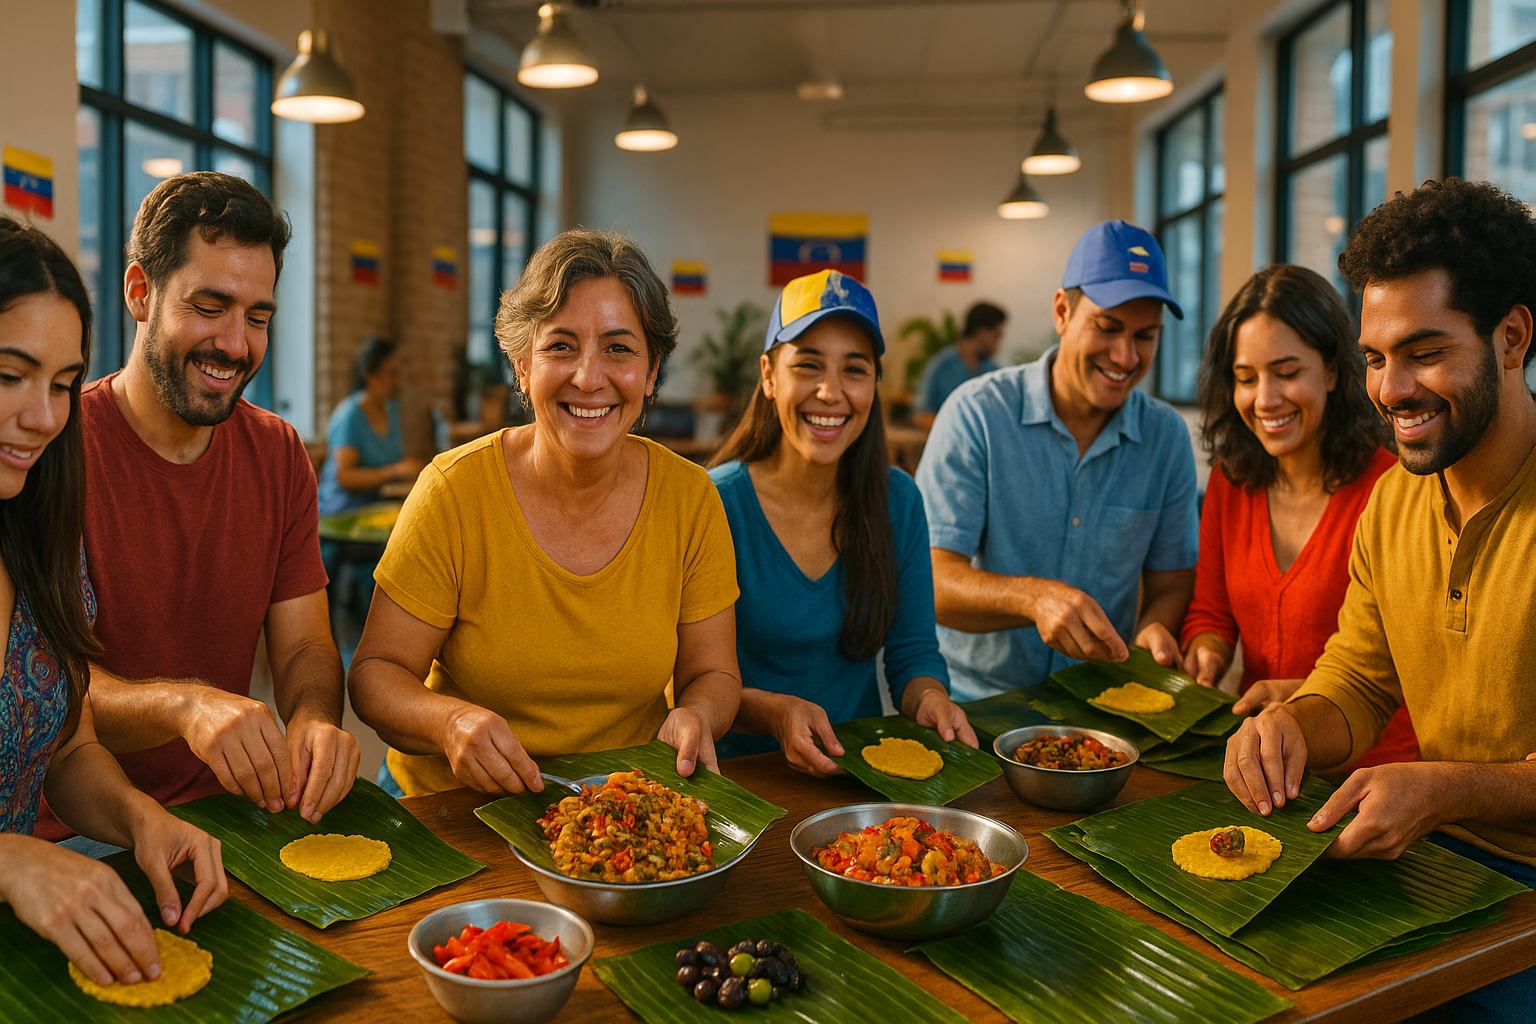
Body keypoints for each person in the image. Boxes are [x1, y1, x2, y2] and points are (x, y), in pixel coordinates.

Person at [1224, 179, 1536, 1023]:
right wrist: (1293, 726)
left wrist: (1442, 789)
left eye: (1425, 351)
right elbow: (1358, 685)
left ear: (1511, 338)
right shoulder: (1394, 502)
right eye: (1374, 356)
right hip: (1430, 862)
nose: (1390, 388)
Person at [348, 229, 741, 797]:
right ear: (522, 367)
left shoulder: (690, 497)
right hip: (456, 811)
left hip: (619, 806)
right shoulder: (454, 492)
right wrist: (449, 722)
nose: (588, 377)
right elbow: (376, 675)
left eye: (619, 348)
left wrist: (699, 713)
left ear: (651, 373)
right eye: (560, 346)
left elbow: (714, 674)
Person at [35, 172, 360, 841]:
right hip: (73, 830)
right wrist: (183, 706)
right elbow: (38, 683)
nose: (236, 345)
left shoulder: (278, 453)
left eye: (258, 317)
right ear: (139, 294)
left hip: (226, 815)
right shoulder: (50, 449)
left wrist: (315, 720)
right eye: (209, 307)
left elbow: (304, 646)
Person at [0, 217, 226, 990]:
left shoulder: (37, 537)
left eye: (63, 384)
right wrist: (10, 857)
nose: (43, 416)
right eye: (9, 376)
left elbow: (65, 749)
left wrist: (138, 818)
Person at [915, 220, 1198, 700]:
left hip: (1104, 703)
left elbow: (1172, 583)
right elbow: (930, 581)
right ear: (1062, 312)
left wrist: (1154, 629)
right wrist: (1034, 599)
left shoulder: (1165, 436)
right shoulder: (977, 414)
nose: (1125, 356)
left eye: (1145, 336)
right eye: (1107, 328)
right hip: (972, 702)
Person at [707, 270, 975, 774]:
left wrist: (931, 699)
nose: (831, 392)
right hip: (739, 782)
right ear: (768, 375)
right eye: (808, 366)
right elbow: (690, 681)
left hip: (858, 778)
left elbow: (913, 654)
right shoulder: (713, 503)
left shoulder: (898, 500)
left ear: (875, 384)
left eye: (855, 370)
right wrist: (775, 714)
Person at [1180, 265, 1417, 768]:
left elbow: (1415, 668)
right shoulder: (1230, 480)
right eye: (1246, 378)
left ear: (1332, 370)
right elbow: (1211, 614)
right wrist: (1208, 653)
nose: (1264, 399)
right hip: (1261, 764)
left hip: (1377, 774)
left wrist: (1315, 700)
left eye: (1287, 373)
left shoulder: (1393, 490)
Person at [317, 336, 423, 518]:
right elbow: (344, 477)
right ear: (370, 375)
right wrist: (394, 472)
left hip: (375, 507)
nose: (397, 381)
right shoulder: (350, 415)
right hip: (342, 514)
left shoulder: (390, 410)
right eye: (391, 374)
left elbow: (395, 459)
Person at [912, 301, 1006, 430]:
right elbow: (920, 415)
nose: (999, 343)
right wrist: (960, 431)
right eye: (997, 336)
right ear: (981, 331)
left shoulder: (993, 371)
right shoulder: (942, 364)